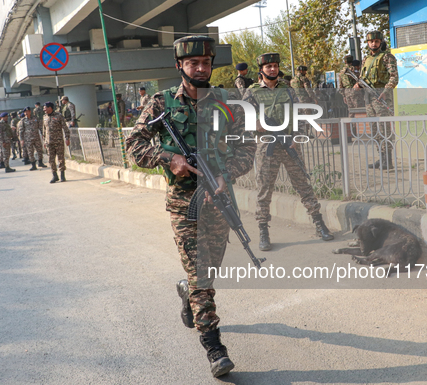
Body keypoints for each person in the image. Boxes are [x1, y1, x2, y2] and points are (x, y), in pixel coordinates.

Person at [126, 35, 256, 378]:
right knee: (201, 274)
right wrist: (169, 159)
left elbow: (247, 147)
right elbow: (134, 146)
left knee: (207, 272)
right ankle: (214, 346)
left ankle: (187, 292)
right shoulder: (161, 103)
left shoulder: (227, 103)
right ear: (180, 66)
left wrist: (226, 174)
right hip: (184, 203)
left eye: (206, 63)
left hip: (219, 200)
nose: (201, 69)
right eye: (193, 63)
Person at [244, 52, 334, 251]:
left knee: (303, 184)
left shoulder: (288, 89)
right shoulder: (251, 92)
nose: (273, 69)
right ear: (261, 70)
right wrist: (254, 126)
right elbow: (242, 119)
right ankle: (263, 231)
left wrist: (297, 137)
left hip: (289, 143)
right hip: (267, 146)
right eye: (268, 67)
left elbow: (300, 115)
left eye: (275, 66)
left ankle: (319, 224)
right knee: (264, 189)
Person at [354, 30, 399, 170]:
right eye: (371, 41)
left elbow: (394, 77)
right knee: (374, 130)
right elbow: (364, 78)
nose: (374, 43)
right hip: (369, 98)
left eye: (376, 41)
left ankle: (388, 161)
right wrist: (358, 85)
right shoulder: (366, 59)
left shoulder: (387, 57)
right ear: (367, 43)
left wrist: (386, 91)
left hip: (381, 97)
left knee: (384, 129)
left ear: (380, 42)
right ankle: (381, 159)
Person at [43, 101, 70, 183]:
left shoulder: (59, 116)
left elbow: (65, 128)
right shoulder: (45, 117)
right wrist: (44, 141)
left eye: (45, 107)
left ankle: (62, 175)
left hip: (58, 142)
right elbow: (44, 130)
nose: (44, 109)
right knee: (51, 160)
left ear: (50, 108)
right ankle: (54, 175)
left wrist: (67, 138)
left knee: (61, 159)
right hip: (49, 143)